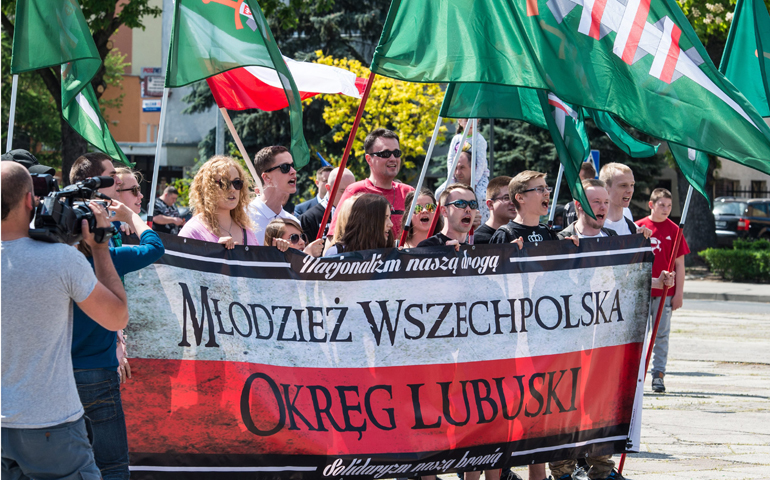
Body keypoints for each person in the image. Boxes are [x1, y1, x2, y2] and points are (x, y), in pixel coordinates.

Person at [1, 162, 128, 478]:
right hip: (51, 424)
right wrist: (100, 249)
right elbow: (116, 317)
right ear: (31, 201)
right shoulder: (60, 260)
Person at [636, 188, 690, 393]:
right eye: (661, 205)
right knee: (639, 336)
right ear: (651, 205)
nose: (666, 209)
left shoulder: (675, 230)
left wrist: (679, 294)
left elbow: (680, 265)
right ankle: (636, 375)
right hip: (642, 291)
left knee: (661, 335)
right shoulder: (639, 227)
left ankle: (658, 375)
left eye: (669, 205)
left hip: (665, 295)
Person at [329, 128, 414, 239]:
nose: (393, 158)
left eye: (396, 153)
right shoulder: (355, 192)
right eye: (386, 153)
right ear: (369, 159)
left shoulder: (409, 193)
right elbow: (335, 238)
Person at [180, 155, 258, 248]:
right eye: (224, 184)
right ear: (208, 189)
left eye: (237, 183)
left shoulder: (247, 231)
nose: (232, 189)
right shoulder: (193, 232)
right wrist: (215, 252)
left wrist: (276, 250)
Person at [248, 146, 300, 244]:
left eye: (292, 166)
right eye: (285, 167)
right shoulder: (244, 217)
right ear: (267, 177)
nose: (293, 171)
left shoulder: (293, 222)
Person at [490, 171, 559, 245]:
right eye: (539, 189)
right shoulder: (505, 234)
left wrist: (570, 246)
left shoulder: (548, 232)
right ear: (520, 198)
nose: (547, 193)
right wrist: (508, 252)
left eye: (547, 188)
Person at [447, 119, 490, 224]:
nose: (470, 123)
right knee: (440, 192)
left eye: (474, 120)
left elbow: (480, 164)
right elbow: (450, 159)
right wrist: (451, 178)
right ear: (460, 121)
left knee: (481, 195)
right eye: (466, 120)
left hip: (479, 177)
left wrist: (474, 182)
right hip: (458, 176)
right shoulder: (456, 139)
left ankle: (484, 221)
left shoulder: (479, 140)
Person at [326, 194, 394, 255]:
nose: (391, 224)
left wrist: (403, 258)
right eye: (384, 218)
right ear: (368, 221)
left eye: (389, 217)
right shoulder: (337, 253)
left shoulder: (391, 253)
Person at [300, 167, 356, 242]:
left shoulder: (358, 214)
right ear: (328, 188)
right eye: (342, 191)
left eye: (352, 191)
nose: (348, 196)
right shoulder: (309, 218)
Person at [598, 162, 651, 238]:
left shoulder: (634, 230)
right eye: (623, 185)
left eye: (632, 185)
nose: (630, 190)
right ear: (606, 187)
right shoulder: (591, 229)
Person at [417, 183, 478, 248]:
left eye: (473, 204)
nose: (468, 209)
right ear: (444, 211)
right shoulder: (427, 247)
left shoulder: (474, 253)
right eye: (461, 203)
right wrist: (447, 253)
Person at [474, 176, 514, 245]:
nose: (513, 202)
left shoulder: (517, 235)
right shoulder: (477, 239)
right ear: (490, 204)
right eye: (507, 198)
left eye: (514, 198)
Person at [562, 162, 597, 229]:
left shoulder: (599, 206)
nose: (573, 182)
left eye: (577, 179)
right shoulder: (568, 207)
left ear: (590, 180)